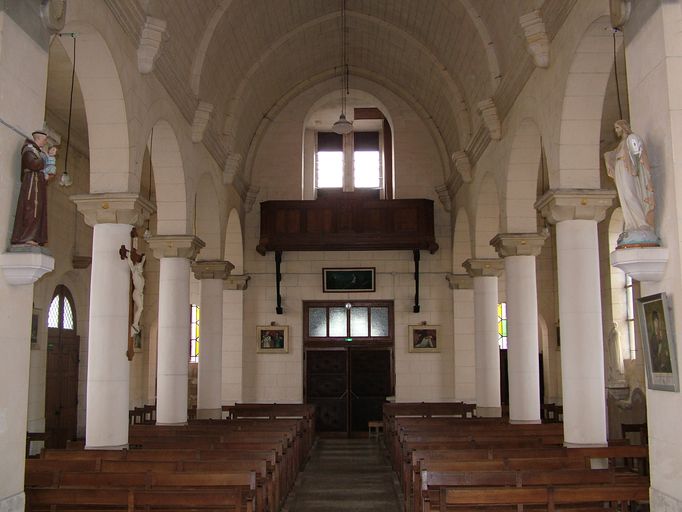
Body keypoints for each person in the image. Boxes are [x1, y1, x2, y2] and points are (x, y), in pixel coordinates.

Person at [604, 120, 659, 247]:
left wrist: (634, 167)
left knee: (630, 194)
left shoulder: (632, 138)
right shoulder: (621, 144)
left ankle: (642, 223)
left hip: (627, 169)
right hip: (620, 169)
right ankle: (631, 224)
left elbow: (638, 157)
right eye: (615, 128)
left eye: (618, 128)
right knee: (624, 198)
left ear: (624, 127)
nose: (616, 131)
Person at [10, 131, 56, 246]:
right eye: (44, 140)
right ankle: (27, 236)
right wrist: (46, 157)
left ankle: (34, 236)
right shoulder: (29, 150)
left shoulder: (38, 152)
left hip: (37, 182)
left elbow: (45, 168)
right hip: (31, 183)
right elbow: (33, 164)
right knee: (31, 209)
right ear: (38, 139)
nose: (45, 142)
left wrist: (49, 160)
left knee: (38, 210)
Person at [126, 248, 146, 339]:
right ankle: (134, 324)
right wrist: (128, 256)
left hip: (140, 293)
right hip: (137, 293)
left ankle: (135, 324)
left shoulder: (140, 274)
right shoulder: (135, 273)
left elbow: (141, 263)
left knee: (141, 308)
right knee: (141, 307)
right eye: (139, 268)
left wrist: (143, 259)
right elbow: (130, 264)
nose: (141, 268)